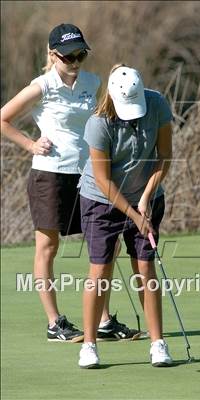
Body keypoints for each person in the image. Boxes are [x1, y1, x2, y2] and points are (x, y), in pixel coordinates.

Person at [0, 24, 140, 343]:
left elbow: (108, 119)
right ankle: (55, 323)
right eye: (69, 57)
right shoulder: (42, 86)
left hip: (89, 175)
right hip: (49, 175)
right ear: (53, 56)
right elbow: (3, 119)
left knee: (105, 244)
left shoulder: (93, 82)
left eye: (81, 55)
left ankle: (103, 321)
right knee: (48, 246)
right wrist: (30, 144)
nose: (76, 62)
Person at [78, 64, 174, 368]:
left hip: (146, 195)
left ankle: (158, 344)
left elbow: (164, 157)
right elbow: (104, 180)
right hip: (100, 200)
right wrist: (133, 213)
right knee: (100, 270)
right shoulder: (98, 123)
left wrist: (146, 198)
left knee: (145, 268)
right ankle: (90, 346)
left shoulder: (157, 104)